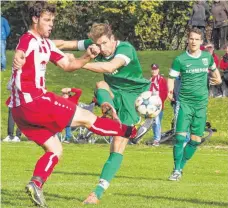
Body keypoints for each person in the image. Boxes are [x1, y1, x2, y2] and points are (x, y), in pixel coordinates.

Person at [8, 3, 136, 207]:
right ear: (35, 20)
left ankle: (36, 183)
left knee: (55, 149)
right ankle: (130, 130)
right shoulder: (29, 38)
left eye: (52, 20)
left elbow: (68, 65)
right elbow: (22, 49)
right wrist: (18, 56)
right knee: (87, 119)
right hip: (35, 101)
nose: (51, 25)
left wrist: (87, 57)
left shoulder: (47, 44)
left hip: (19, 112)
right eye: (47, 20)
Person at [53, 23, 151, 204]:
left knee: (117, 145)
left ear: (113, 39)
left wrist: (79, 62)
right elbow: (67, 43)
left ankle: (97, 192)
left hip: (134, 98)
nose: (102, 48)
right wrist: (41, 44)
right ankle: (108, 107)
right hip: (113, 92)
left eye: (105, 43)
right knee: (100, 85)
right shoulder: (96, 44)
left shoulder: (125, 49)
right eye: (98, 45)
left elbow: (109, 67)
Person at [167, 28, 221, 181]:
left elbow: (215, 72)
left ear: (201, 41)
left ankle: (180, 166)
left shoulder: (207, 58)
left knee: (196, 141)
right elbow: (171, 77)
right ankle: (176, 170)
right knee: (179, 137)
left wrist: (218, 79)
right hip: (184, 102)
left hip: (201, 104)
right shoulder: (180, 60)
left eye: (197, 39)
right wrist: (170, 90)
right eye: (191, 38)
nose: (193, 41)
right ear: (188, 40)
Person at [146, 64, 167, 146]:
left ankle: (157, 139)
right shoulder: (150, 80)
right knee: (155, 122)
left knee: (157, 121)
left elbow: (164, 93)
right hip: (151, 105)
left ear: (158, 70)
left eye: (155, 69)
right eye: (152, 69)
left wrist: (159, 103)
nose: (154, 71)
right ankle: (156, 137)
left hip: (158, 104)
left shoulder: (161, 80)